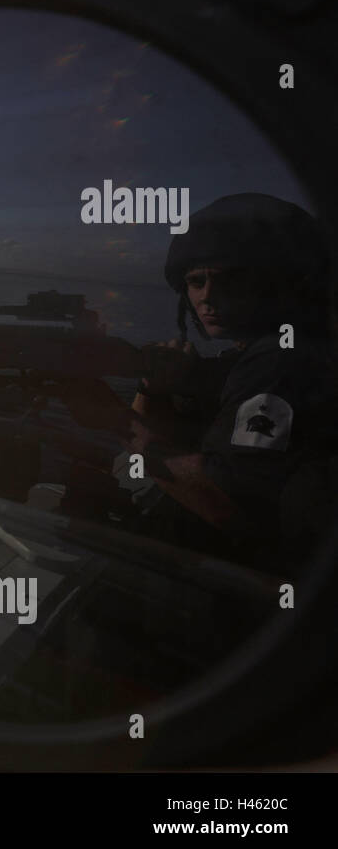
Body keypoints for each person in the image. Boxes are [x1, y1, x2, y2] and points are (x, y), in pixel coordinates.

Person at [122, 193, 336, 572]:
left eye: (229, 281)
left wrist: (110, 418)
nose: (207, 297)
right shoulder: (251, 357)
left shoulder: (281, 361)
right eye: (195, 281)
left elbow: (228, 501)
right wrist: (153, 388)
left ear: (277, 284)